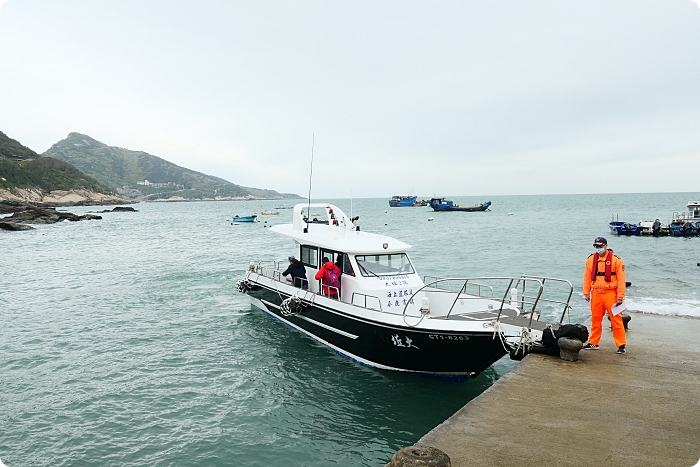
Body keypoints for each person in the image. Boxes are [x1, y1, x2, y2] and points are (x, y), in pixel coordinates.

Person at [582, 237, 627, 354]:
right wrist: (586, 292)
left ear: (606, 246)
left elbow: (621, 280)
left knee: (616, 320)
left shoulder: (617, 261)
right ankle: (593, 342)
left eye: (600, 246)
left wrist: (620, 296)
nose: (598, 248)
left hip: (610, 293)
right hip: (596, 293)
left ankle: (621, 344)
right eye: (596, 246)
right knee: (595, 320)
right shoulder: (590, 260)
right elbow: (587, 277)